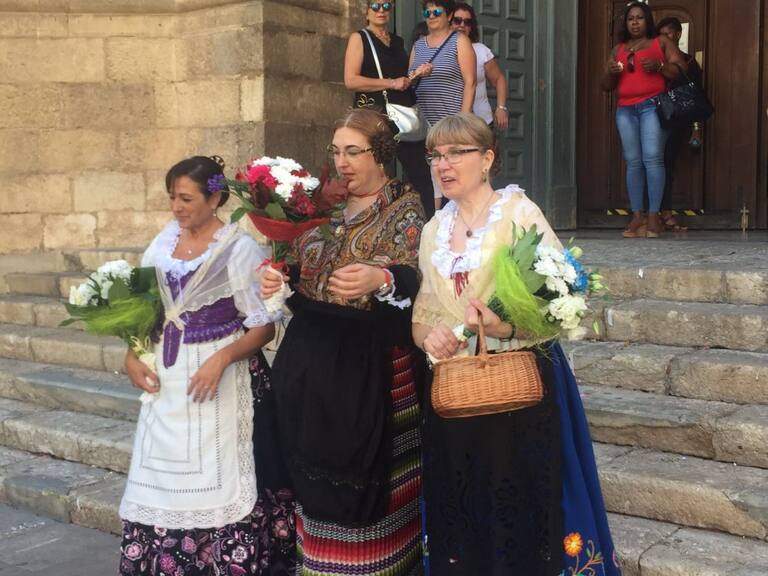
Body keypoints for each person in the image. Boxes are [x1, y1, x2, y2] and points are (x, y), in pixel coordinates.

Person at [412, 113, 621, 576]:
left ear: (487, 159)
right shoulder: (433, 230)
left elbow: (563, 302)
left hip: (519, 389)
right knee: (464, 507)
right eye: (435, 156)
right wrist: (432, 336)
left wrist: (502, 327)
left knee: (526, 507)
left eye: (456, 153)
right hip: (456, 394)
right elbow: (422, 316)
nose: (443, 164)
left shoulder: (518, 214)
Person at [262, 109, 426, 576]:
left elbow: (417, 279)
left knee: (367, 491)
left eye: (353, 152)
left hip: (369, 369)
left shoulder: (405, 206)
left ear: (382, 154)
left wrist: (382, 278)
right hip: (310, 366)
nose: (341, 162)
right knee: (312, 487)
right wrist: (279, 279)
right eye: (336, 151)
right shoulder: (322, 205)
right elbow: (298, 265)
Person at [119, 156, 296, 575]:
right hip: (168, 380)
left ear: (214, 198)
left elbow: (263, 327)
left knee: (224, 476)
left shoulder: (238, 248)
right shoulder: (162, 243)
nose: (176, 207)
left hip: (223, 378)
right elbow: (144, 312)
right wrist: (131, 355)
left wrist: (222, 358)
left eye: (186, 198)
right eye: (172, 198)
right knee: (161, 481)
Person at [344, 1, 437, 218]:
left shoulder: (397, 41)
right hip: (375, 116)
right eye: (375, 6)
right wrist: (391, 83)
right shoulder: (360, 38)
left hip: (402, 114)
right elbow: (351, 80)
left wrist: (416, 74)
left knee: (421, 173)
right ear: (366, 10)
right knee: (371, 172)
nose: (381, 10)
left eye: (386, 5)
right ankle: (365, 222)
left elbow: (401, 79)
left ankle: (426, 224)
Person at [601, 1, 686, 238]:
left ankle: (653, 216)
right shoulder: (618, 49)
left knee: (652, 158)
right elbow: (605, 85)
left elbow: (681, 70)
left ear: (647, 20)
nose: (635, 22)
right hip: (625, 110)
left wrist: (660, 66)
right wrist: (610, 73)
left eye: (639, 18)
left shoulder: (661, 42)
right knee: (633, 162)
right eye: (631, 19)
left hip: (652, 107)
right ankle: (637, 215)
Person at [410, 0, 476, 209]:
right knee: (428, 180)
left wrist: (462, 122)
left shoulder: (459, 41)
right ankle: (433, 221)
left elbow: (470, 82)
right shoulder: (418, 45)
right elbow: (408, 82)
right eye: (427, 12)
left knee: (453, 176)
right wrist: (417, 73)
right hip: (423, 125)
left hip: (450, 123)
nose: (431, 16)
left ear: (448, 16)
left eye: (436, 11)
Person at [656, 16, 705, 232]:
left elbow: (695, 99)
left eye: (668, 34)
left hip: (676, 121)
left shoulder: (689, 63)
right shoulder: (653, 59)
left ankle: (665, 212)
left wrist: (696, 130)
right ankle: (650, 214)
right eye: (661, 35)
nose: (664, 39)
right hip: (653, 117)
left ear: (677, 34)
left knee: (666, 163)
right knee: (648, 163)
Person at [452, 2, 509, 130]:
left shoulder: (481, 50)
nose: (462, 25)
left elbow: (499, 79)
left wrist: (501, 108)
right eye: (457, 20)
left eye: (467, 22)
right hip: (448, 124)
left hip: (481, 123)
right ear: (448, 21)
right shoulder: (438, 49)